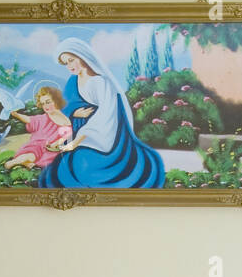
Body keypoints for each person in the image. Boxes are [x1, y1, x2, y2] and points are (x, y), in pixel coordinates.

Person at [38, 37, 165, 189]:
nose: (69, 66)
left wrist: (76, 142)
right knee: (66, 163)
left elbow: (106, 114)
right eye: (66, 63)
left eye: (71, 60)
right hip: (80, 133)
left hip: (106, 138)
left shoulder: (101, 82)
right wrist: (75, 112)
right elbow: (66, 105)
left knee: (83, 164)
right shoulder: (73, 81)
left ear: (82, 57)